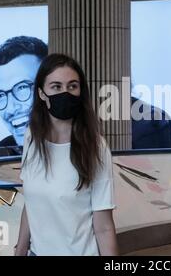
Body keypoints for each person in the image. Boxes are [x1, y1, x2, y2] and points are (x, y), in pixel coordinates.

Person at [15, 53, 118, 256]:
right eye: (56, 86)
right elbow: (32, 204)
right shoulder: (31, 137)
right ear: (42, 93)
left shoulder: (95, 146)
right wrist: (20, 250)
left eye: (72, 86)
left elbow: (104, 227)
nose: (66, 93)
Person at [0, 36, 48, 149]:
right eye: (0, 95)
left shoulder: (81, 150)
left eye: (22, 88)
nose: (10, 109)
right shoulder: (1, 153)